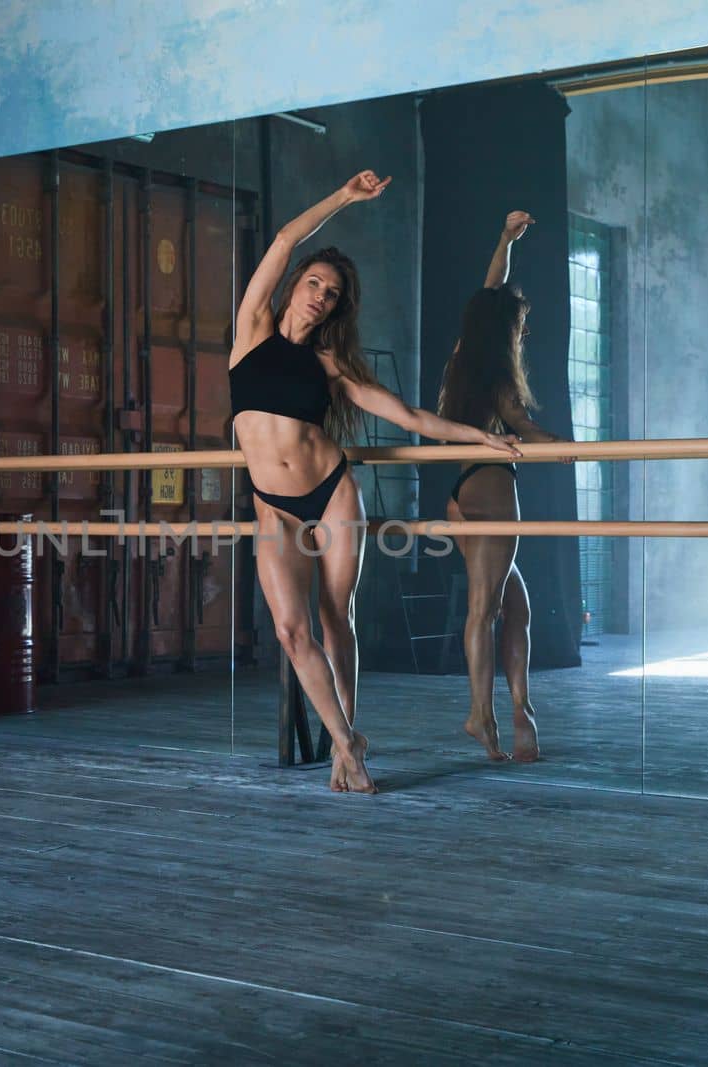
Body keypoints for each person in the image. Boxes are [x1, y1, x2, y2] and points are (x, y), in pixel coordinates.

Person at [231, 171, 521, 794]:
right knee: (289, 630)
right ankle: (346, 741)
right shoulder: (250, 331)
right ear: (294, 286)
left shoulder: (329, 363)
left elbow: (410, 418)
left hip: (331, 491)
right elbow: (284, 238)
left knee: (338, 615)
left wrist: (481, 436)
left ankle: (347, 749)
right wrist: (343, 196)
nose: (319, 297)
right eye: (313, 284)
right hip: (274, 508)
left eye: (332, 294)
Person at [437, 210, 571, 763]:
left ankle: (521, 710)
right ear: (505, 334)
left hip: (464, 492)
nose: (523, 333)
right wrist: (568, 449)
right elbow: (526, 429)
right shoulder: (496, 378)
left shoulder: (461, 359)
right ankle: (480, 712)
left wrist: (505, 240)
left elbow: (489, 292)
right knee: (484, 608)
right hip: (490, 490)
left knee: (514, 606)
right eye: (519, 327)